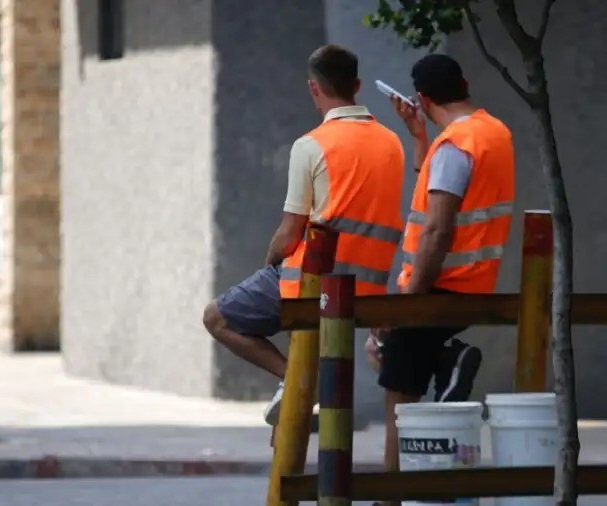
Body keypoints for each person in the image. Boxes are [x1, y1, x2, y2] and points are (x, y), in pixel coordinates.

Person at [202, 44, 407, 425]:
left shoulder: (312, 145)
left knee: (217, 317)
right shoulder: (392, 143)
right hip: (368, 288)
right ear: (357, 84)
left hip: (312, 285)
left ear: (314, 88)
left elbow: (289, 231)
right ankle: (299, 383)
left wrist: (271, 262)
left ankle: (295, 379)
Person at [376, 53, 516, 480]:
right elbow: (440, 191)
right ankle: (447, 356)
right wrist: (419, 137)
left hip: (436, 288)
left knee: (397, 411)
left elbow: (436, 231)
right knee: (378, 350)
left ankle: (392, 496)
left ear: (420, 97)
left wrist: (408, 304)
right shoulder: (494, 132)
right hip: (473, 285)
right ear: (465, 82)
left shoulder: (455, 147)